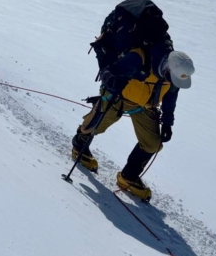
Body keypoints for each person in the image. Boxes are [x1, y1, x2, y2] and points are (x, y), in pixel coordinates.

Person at [71, 46, 195, 201]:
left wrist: (167, 123)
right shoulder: (140, 57)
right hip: (118, 98)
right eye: (173, 78)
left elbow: (170, 98)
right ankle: (79, 145)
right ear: (167, 67)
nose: (173, 82)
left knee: (152, 144)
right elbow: (110, 72)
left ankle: (128, 176)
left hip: (144, 106)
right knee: (93, 126)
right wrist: (112, 81)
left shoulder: (173, 74)